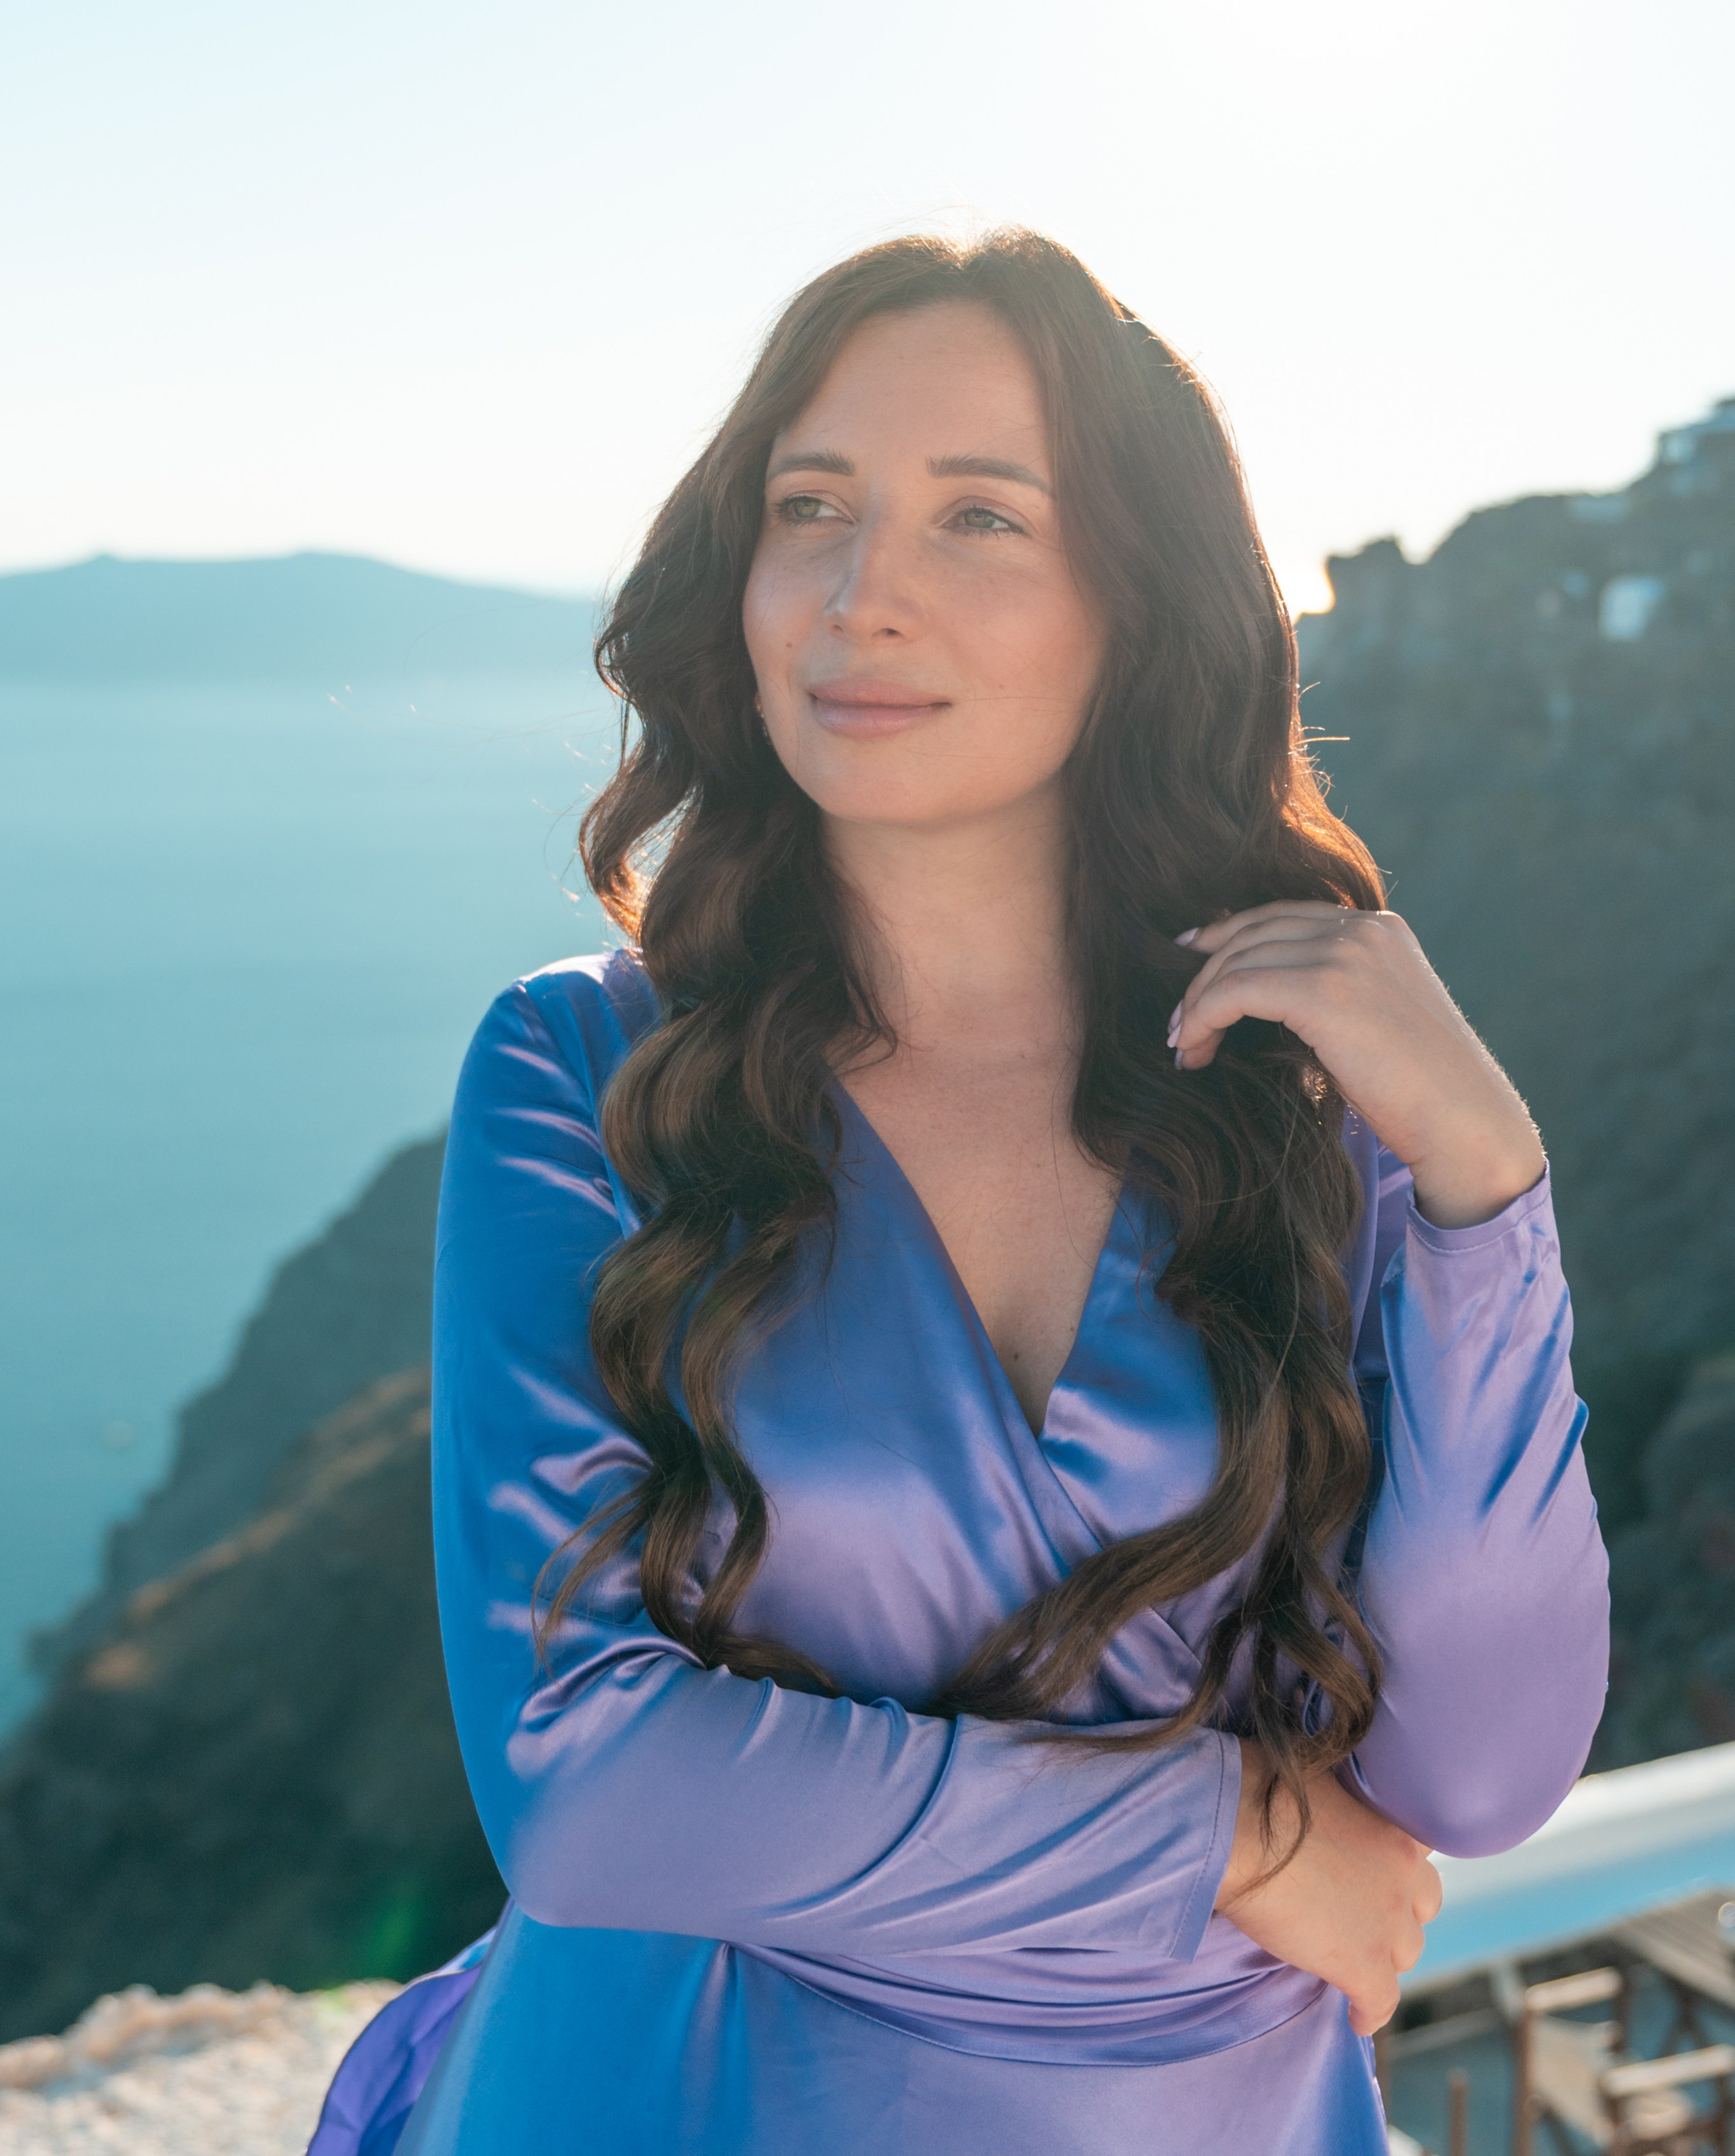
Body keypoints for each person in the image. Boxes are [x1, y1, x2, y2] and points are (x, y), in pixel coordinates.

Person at [310, 229, 1608, 2156]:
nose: (858, 596)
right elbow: (587, 1788)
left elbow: (1478, 1772)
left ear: (1135, 603)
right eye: (808, 507)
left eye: (980, 519)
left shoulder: (1298, 1112)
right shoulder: (582, 1075)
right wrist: (1228, 1837)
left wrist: (1487, 1194)